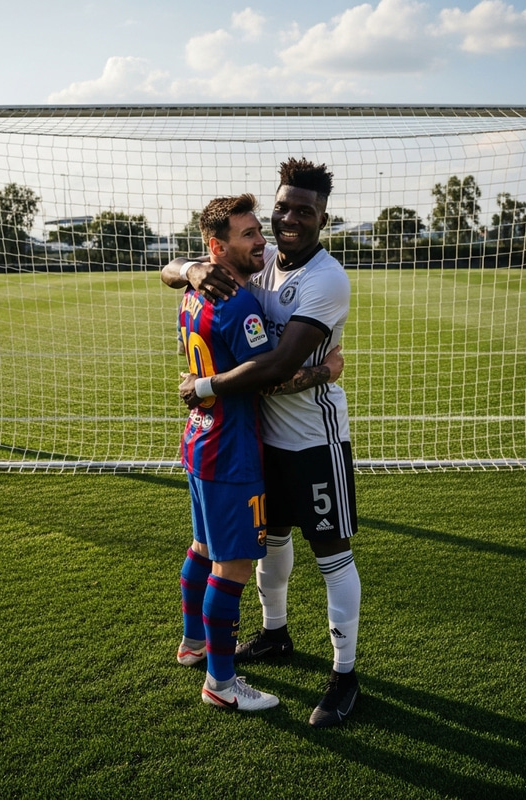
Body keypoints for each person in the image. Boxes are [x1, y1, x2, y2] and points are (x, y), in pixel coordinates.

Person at [162, 158, 361, 728]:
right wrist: (191, 269)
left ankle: (345, 673)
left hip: (312, 442)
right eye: (282, 208)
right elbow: (169, 269)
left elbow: (275, 365)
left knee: (333, 555)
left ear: (323, 216)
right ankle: (275, 634)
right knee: (268, 546)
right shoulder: (263, 259)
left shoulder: (327, 279)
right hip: (257, 443)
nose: (289, 218)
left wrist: (202, 386)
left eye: (304, 210)